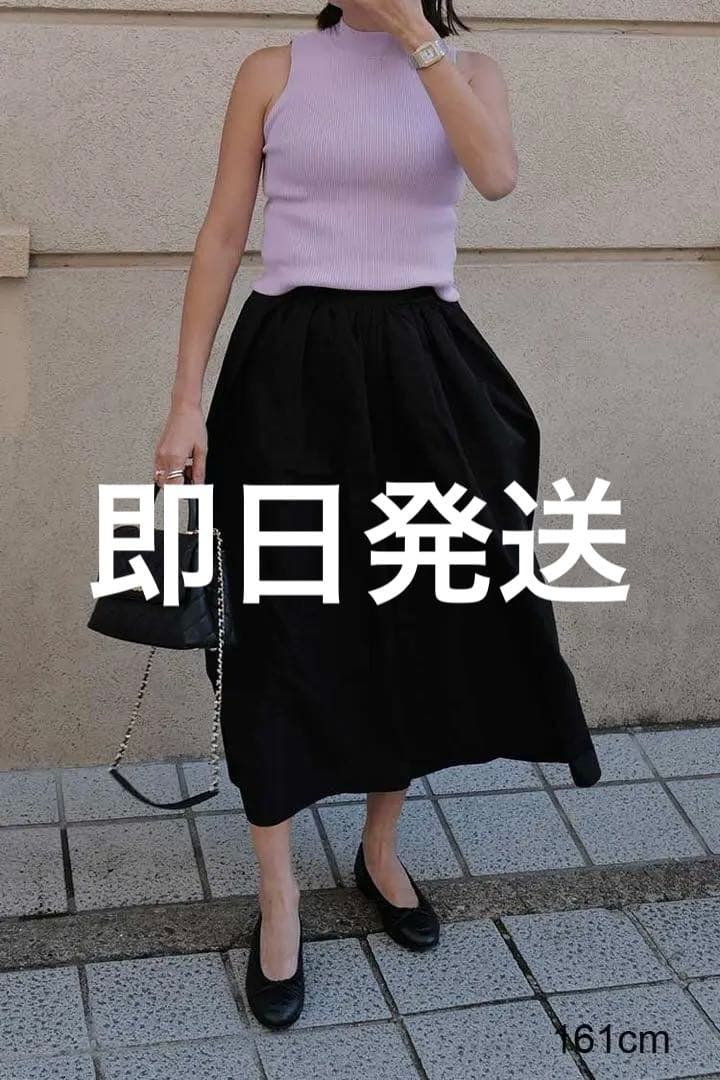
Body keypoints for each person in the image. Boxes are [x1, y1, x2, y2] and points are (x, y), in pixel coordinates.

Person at [153, 0, 601, 1030]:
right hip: (288, 370)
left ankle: (381, 850)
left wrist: (416, 39)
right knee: (278, 628)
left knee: (417, 616)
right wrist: (184, 400)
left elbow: (496, 174)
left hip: (423, 370)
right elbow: (222, 233)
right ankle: (279, 896)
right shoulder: (273, 70)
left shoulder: (469, 72)